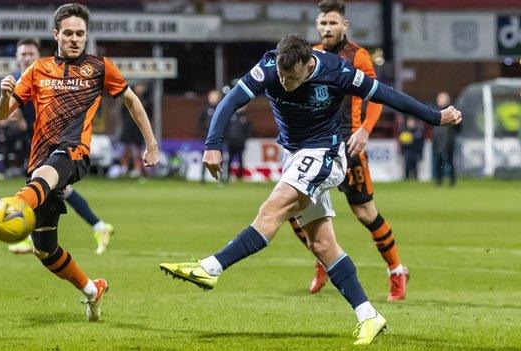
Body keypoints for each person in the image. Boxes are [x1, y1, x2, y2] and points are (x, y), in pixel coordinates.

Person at [159, 34, 461, 345]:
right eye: (282, 76)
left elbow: (386, 95)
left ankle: (212, 267)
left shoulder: (337, 72)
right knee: (323, 245)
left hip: (324, 155)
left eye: (293, 77)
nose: (286, 84)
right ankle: (369, 315)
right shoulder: (269, 67)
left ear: (308, 64)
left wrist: (436, 117)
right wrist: (212, 145)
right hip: (294, 156)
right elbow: (230, 101)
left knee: (272, 209)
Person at [0, 3, 159, 322]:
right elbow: (2, 116)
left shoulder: (100, 68)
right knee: (46, 250)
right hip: (39, 162)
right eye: (68, 34)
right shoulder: (37, 70)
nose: (75, 39)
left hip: (73, 154)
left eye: (80, 34)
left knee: (52, 167)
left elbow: (132, 100)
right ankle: (92, 289)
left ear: (86, 35)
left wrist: (151, 142)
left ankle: (10, 205)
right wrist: (5, 95)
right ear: (56, 35)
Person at [287, 0, 410, 301]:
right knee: (292, 209)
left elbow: (377, 96)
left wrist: (366, 129)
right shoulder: (310, 55)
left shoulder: (358, 56)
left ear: (345, 25)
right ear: (317, 25)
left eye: (333, 23)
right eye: (323, 23)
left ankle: (396, 270)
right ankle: (322, 257)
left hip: (349, 144)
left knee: (365, 212)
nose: (327, 28)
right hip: (316, 144)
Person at [6, 37, 116, 255]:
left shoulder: (49, 76)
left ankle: (29, 237)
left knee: (39, 187)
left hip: (57, 144)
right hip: (33, 143)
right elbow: (4, 114)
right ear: (16, 57)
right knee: (58, 190)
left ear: (37, 56)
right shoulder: (16, 82)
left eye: (30, 54)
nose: (27, 57)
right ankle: (100, 226)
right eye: (23, 54)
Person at [119, 82, 151, 178]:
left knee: (137, 150)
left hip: (139, 129)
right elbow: (123, 113)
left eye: (142, 86)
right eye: (138, 86)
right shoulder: (128, 99)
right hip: (128, 128)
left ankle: (137, 169)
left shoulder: (146, 102)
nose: (140, 88)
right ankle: (123, 168)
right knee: (126, 149)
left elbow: (150, 116)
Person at [432, 91, 459, 187]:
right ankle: (439, 181)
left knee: (450, 162)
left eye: (441, 98)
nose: (439, 100)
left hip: (449, 141)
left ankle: (452, 181)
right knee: (439, 162)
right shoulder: (435, 111)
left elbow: (459, 127)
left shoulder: (452, 112)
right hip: (438, 141)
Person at [198, 90, 221, 183]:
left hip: (219, 139)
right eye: (212, 96)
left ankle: (221, 179)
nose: (213, 98)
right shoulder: (206, 110)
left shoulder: (221, 109)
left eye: (215, 96)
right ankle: (202, 178)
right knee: (205, 157)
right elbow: (200, 123)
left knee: (219, 158)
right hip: (207, 139)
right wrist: (203, 134)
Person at [224, 106, 253, 182]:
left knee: (240, 159)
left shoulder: (245, 118)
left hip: (240, 142)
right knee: (229, 159)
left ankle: (240, 176)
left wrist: (243, 138)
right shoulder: (231, 117)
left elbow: (249, 130)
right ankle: (228, 175)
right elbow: (226, 128)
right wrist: (227, 138)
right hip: (231, 142)